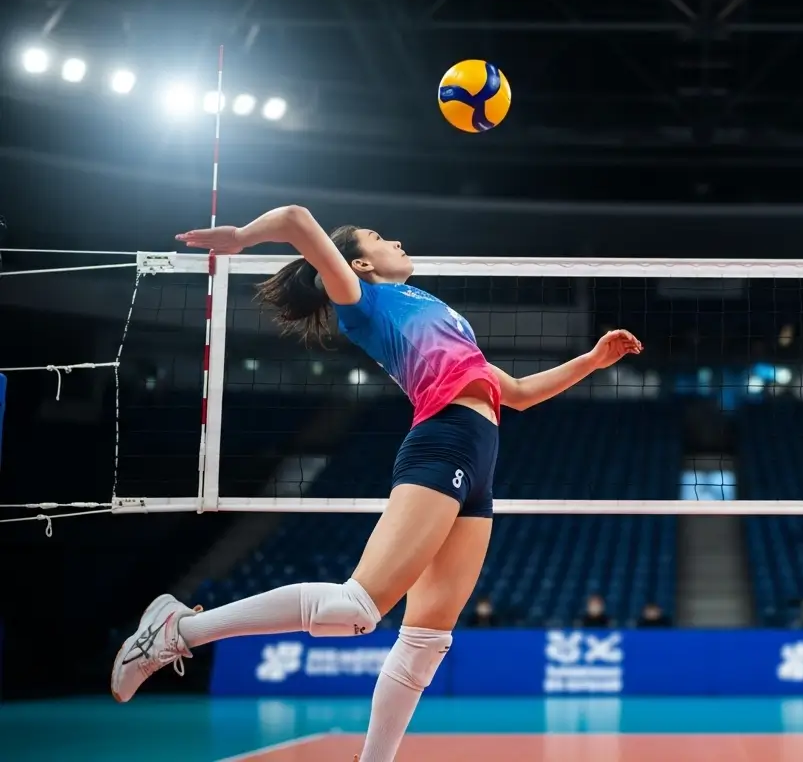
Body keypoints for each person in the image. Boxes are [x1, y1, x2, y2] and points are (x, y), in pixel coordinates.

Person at [109, 205, 642, 762]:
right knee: (358, 607)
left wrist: (591, 360)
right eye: (381, 237)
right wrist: (243, 237)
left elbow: (519, 392)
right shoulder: (361, 299)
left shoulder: (432, 306)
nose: (398, 240)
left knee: (427, 642)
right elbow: (294, 218)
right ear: (360, 263)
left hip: (480, 455)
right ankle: (178, 630)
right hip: (445, 441)